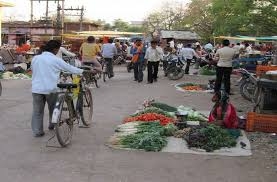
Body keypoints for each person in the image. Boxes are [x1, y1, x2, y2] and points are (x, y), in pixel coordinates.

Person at [31, 40, 92, 137]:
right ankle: (52, 125)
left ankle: (38, 131)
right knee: (53, 108)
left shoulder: (36, 58)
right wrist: (82, 71)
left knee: (37, 111)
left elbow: (34, 70)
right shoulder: (56, 60)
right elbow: (69, 68)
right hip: (51, 89)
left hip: (36, 89)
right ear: (55, 49)